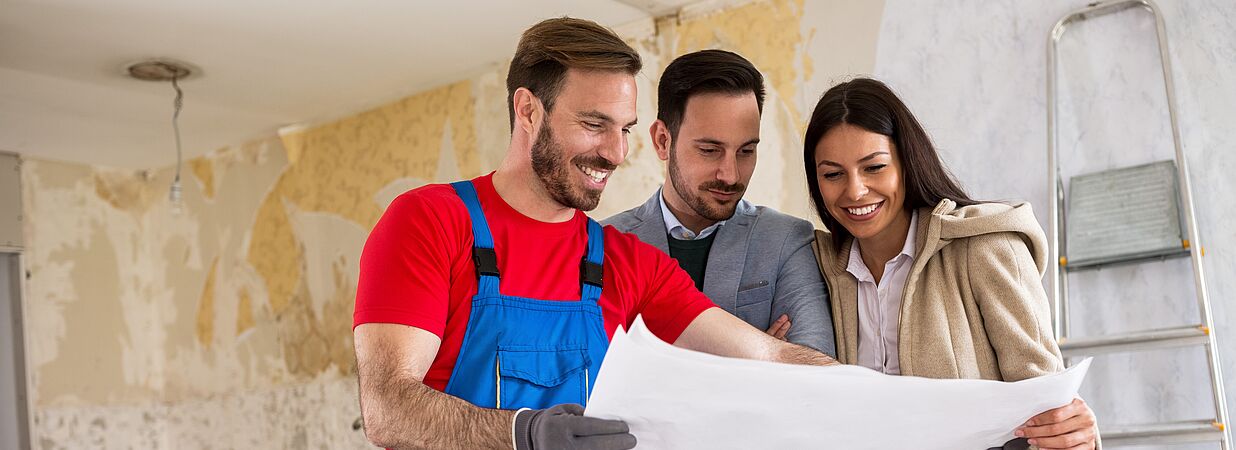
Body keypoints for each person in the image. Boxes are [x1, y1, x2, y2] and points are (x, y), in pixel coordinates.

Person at [353, 17, 835, 450]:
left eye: (624, 129)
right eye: (593, 125)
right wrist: (523, 432)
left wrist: (894, 397)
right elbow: (389, 409)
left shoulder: (628, 262)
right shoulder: (430, 221)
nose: (616, 152)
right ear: (528, 110)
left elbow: (772, 354)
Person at [803, 77, 1099, 450]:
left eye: (874, 167)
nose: (855, 190)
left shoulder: (985, 247)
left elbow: (1051, 413)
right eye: (832, 174)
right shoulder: (817, 267)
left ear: (907, 164)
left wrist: (1075, 436)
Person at [604, 49, 834, 355]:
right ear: (662, 140)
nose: (730, 174)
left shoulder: (787, 240)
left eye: (746, 151)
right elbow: (594, 379)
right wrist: (758, 355)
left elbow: (816, 369)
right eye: (710, 150)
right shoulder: (604, 245)